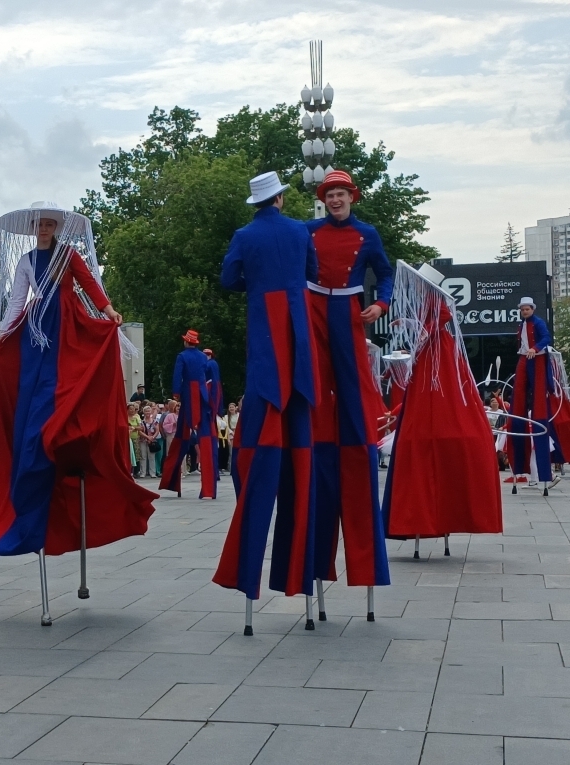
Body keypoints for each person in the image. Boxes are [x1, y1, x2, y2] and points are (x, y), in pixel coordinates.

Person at [0, 201, 156, 557]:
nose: (44, 229)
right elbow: (17, 301)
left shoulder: (67, 256)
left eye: (48, 224)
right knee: (34, 385)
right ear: (33, 228)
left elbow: (89, 281)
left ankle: (71, 421)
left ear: (54, 228)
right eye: (39, 225)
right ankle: (39, 438)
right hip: (37, 329)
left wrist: (107, 309)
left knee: (72, 375)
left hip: (68, 324)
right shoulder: (27, 261)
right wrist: (3, 332)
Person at [213, 171, 319, 601]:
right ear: (280, 199)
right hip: (296, 330)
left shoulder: (244, 235)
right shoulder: (300, 230)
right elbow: (311, 273)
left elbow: (227, 279)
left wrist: (254, 283)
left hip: (264, 329)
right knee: (298, 417)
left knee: (264, 406)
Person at [304, 169, 392, 590]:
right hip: (315, 306)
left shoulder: (368, 233)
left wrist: (382, 304)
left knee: (352, 378)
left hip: (350, 309)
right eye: (329, 194)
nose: (335, 199)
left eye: (340, 193)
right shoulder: (309, 230)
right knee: (317, 378)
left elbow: (385, 273)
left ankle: (358, 432)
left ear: (351, 196)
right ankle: (316, 425)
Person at [381, 261, 502, 540]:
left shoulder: (437, 304)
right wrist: (414, 325)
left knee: (437, 406)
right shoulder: (429, 303)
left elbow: (442, 317)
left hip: (437, 357)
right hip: (432, 356)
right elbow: (432, 322)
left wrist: (422, 331)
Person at [160, 330, 217, 498]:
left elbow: (178, 376)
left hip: (188, 396)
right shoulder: (202, 357)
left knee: (181, 437)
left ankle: (171, 481)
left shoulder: (182, 356)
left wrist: (176, 394)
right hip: (201, 395)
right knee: (206, 438)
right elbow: (207, 375)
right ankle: (209, 488)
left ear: (186, 342)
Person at [507, 296, 557, 486]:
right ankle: (520, 467)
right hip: (524, 358)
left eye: (527, 309)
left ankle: (544, 474)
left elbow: (547, 338)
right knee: (518, 396)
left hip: (536, 359)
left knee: (538, 403)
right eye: (522, 309)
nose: (524, 312)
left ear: (532, 309)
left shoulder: (538, 323)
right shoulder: (522, 324)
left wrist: (535, 349)